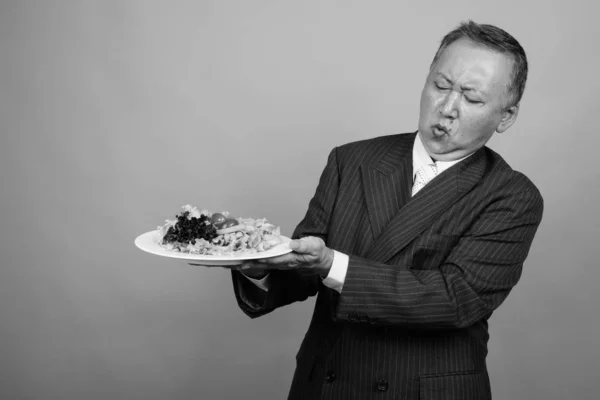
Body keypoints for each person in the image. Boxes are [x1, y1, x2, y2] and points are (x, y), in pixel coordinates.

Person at [230, 20, 544, 400]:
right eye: (440, 86)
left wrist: (333, 265)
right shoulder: (352, 160)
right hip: (327, 382)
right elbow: (304, 268)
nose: (446, 108)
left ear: (506, 116)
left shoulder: (512, 195)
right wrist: (261, 264)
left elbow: (455, 299)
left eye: (472, 99)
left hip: (424, 390)